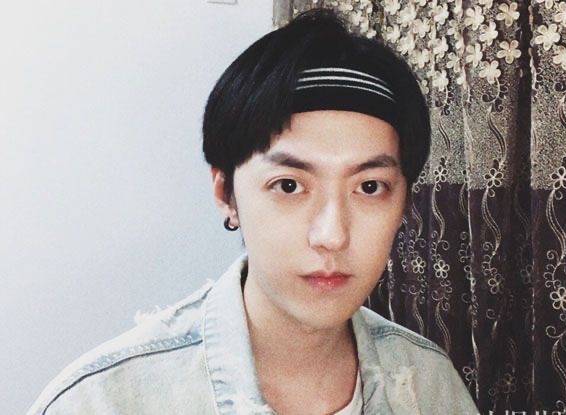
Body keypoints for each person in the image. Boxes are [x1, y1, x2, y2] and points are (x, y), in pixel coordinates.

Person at [28, 8, 478, 415]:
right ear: (227, 193)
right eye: (289, 185)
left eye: (369, 187)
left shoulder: (429, 388)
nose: (331, 235)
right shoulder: (105, 401)